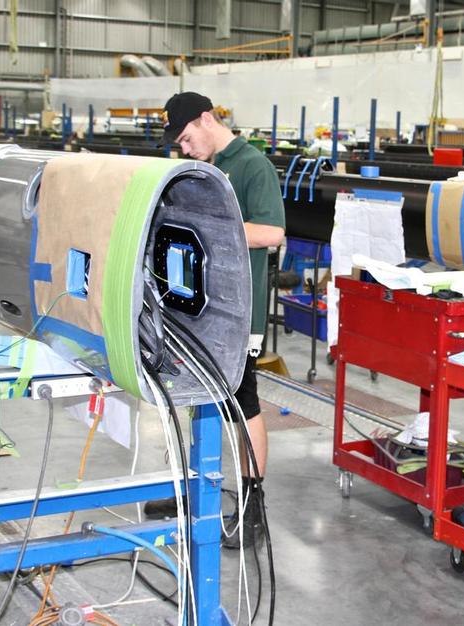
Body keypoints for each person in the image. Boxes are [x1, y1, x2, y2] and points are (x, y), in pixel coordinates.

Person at [147, 92, 285, 549]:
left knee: (242, 406)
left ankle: (253, 508)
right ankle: (195, 490)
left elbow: (272, 231)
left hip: (237, 312)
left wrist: (208, 230)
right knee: (195, 396)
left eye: (186, 138)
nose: (183, 149)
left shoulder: (251, 165)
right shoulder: (200, 168)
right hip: (197, 306)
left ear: (207, 120)